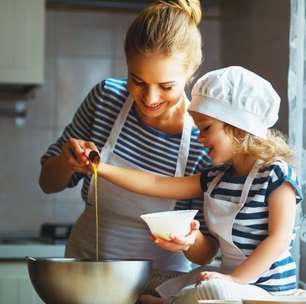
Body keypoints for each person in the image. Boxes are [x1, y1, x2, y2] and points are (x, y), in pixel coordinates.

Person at [39, 0, 212, 294]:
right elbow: (47, 183)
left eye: (166, 86)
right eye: (137, 80)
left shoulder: (203, 136)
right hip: (86, 275)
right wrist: (66, 163)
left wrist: (190, 241)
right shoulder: (107, 99)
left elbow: (206, 250)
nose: (149, 97)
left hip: (160, 288)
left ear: (191, 72)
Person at [91, 66, 303, 303]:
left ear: (239, 127)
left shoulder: (276, 174)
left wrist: (234, 281)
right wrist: (98, 168)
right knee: (174, 289)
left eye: (207, 128)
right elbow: (156, 183)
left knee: (215, 292)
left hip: (268, 290)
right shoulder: (215, 178)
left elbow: (278, 239)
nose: (200, 138)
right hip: (228, 280)